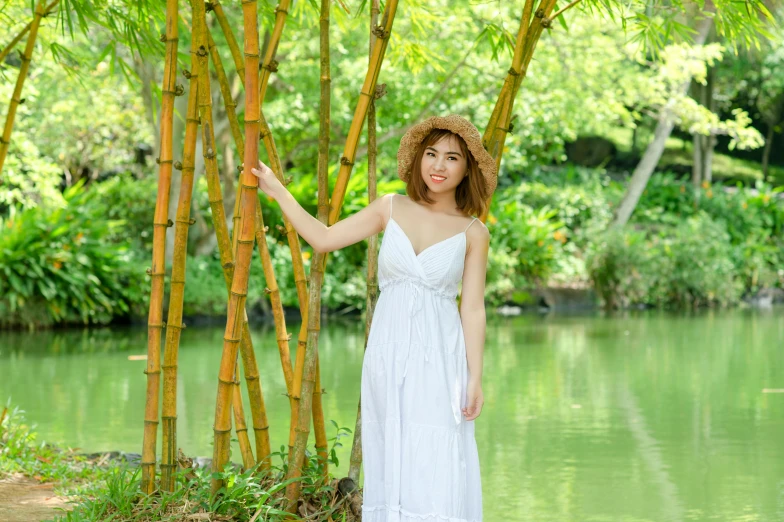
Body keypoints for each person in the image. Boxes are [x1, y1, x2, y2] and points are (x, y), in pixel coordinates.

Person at [251, 113, 495, 522]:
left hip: (439, 357)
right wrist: (278, 191)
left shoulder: (473, 232)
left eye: (452, 158)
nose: (438, 166)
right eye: (431, 154)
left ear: (467, 167)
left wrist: (475, 378)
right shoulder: (390, 207)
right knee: (392, 445)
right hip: (387, 352)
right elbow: (325, 238)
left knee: (436, 447)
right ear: (418, 159)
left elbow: (472, 309)